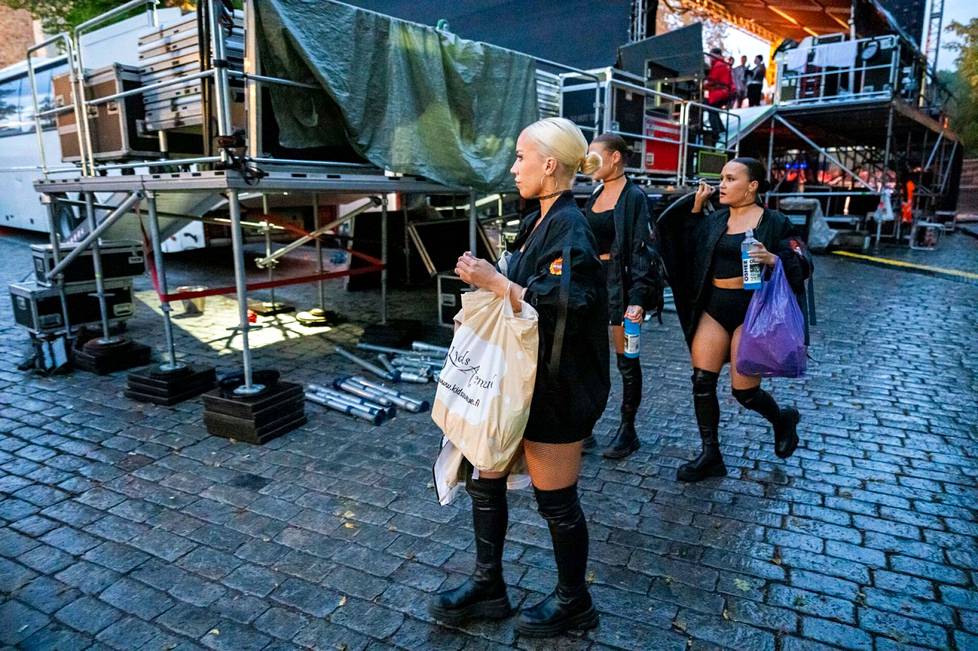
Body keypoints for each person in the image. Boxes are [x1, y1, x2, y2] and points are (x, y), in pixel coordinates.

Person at [429, 117, 610, 636]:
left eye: (520, 157)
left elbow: (569, 304)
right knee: (485, 480)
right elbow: (529, 288)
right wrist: (492, 279)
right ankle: (490, 586)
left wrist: (496, 281)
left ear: (549, 164)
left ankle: (576, 601)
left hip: (558, 388)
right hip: (519, 381)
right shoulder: (539, 218)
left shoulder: (572, 225)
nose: (513, 168)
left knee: (556, 500)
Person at [656, 158, 809, 482]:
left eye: (730, 179)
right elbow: (683, 251)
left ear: (752, 185)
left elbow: (802, 260)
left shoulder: (775, 222)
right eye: (722, 178)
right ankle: (711, 454)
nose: (722, 185)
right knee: (702, 381)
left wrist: (774, 258)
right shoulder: (715, 220)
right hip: (714, 306)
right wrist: (696, 210)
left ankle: (782, 419)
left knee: (744, 392)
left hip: (752, 311)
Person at [582, 133, 661, 459]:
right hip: (591, 288)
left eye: (595, 155)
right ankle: (585, 426)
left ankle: (627, 431)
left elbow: (644, 250)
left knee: (626, 360)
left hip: (620, 288)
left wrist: (639, 298)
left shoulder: (634, 197)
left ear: (615, 157)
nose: (588, 163)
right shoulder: (594, 194)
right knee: (588, 359)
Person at [704, 48, 732, 144]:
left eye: (711, 56)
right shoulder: (723, 65)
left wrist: (704, 84)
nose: (710, 58)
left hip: (719, 93)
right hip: (724, 92)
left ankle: (716, 132)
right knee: (713, 110)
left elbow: (712, 80)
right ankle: (721, 129)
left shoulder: (718, 65)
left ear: (716, 55)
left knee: (710, 108)